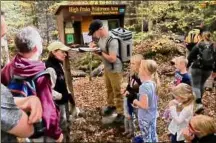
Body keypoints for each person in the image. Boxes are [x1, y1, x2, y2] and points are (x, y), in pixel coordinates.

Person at [1, 26, 63, 142]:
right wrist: (57, 134)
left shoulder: (10, 67)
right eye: (40, 41)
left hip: (15, 125)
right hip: (36, 129)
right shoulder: (41, 75)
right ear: (35, 48)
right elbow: (48, 111)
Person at [88, 19, 124, 122]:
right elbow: (102, 55)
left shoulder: (112, 40)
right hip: (107, 68)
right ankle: (111, 106)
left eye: (94, 32)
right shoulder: (101, 39)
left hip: (115, 69)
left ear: (100, 29)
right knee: (109, 89)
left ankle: (121, 112)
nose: (94, 35)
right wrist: (94, 50)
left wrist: (100, 52)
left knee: (117, 90)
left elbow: (112, 58)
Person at [45, 41, 75, 142]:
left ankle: (67, 140)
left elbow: (62, 82)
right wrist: (61, 96)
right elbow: (48, 90)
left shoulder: (59, 64)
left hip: (64, 102)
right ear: (54, 52)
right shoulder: (50, 68)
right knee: (61, 126)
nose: (65, 54)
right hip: (57, 105)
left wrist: (69, 95)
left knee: (66, 123)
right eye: (62, 52)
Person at [187, 31, 216, 113]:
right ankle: (199, 102)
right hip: (208, 69)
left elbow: (190, 56)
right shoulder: (214, 46)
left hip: (197, 67)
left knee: (195, 85)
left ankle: (198, 104)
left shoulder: (199, 44)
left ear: (202, 36)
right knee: (202, 84)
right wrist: (214, 70)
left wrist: (187, 65)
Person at [132, 59, 160, 142]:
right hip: (152, 115)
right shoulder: (153, 83)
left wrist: (135, 101)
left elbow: (145, 106)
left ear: (145, 71)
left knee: (147, 138)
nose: (138, 69)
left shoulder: (143, 87)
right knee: (153, 135)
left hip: (145, 118)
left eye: (140, 67)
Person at [122, 54, 143, 137]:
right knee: (130, 115)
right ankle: (132, 131)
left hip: (137, 99)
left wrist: (132, 94)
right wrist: (126, 90)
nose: (131, 65)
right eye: (130, 63)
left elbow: (141, 90)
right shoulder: (132, 74)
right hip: (130, 97)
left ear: (140, 65)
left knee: (138, 116)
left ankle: (140, 133)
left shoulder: (141, 77)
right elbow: (129, 85)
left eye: (133, 63)